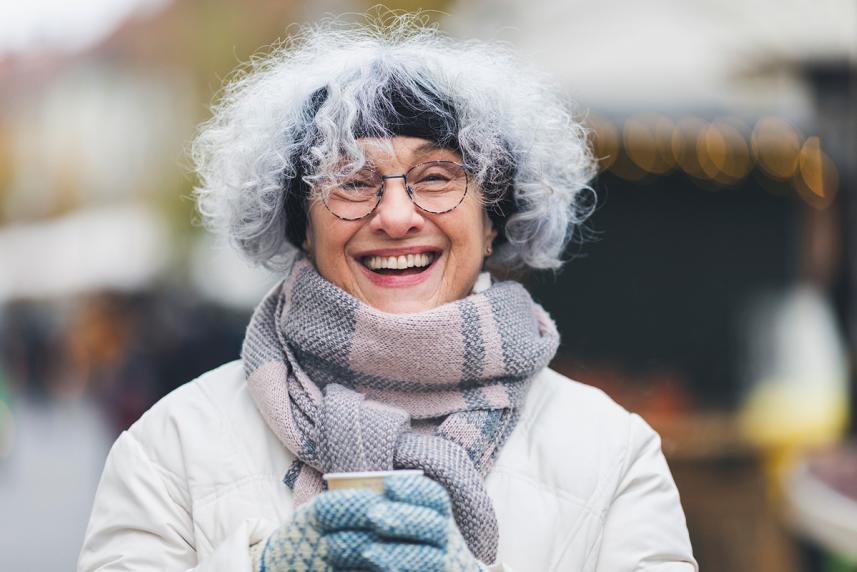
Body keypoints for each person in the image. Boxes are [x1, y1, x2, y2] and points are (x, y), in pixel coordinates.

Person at [78, 15, 697, 572]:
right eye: (351, 180)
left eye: (436, 176)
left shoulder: (614, 455)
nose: (397, 215)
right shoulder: (170, 449)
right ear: (301, 225)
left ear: (490, 221)